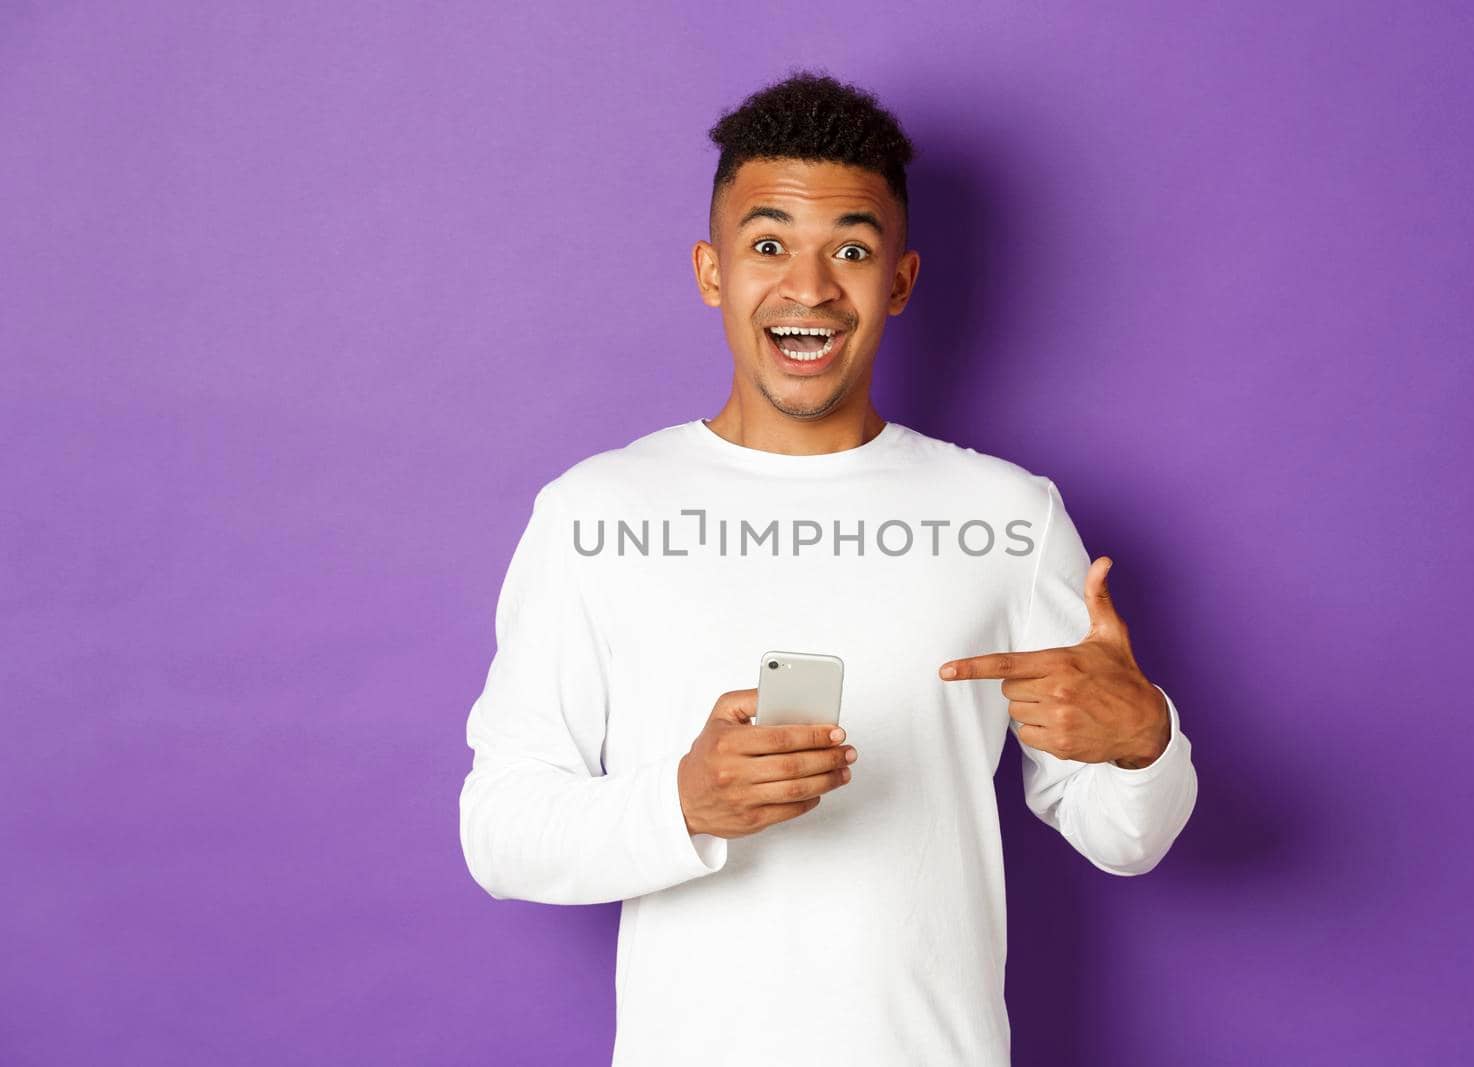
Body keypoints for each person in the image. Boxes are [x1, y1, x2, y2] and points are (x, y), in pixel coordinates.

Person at [458, 68, 1198, 1067]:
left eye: (850, 249)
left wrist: (1144, 738)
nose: (808, 287)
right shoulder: (597, 510)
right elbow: (500, 828)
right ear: (711, 270)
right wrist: (682, 802)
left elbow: (1125, 837)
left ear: (897, 280)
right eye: (767, 245)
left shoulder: (1006, 516)